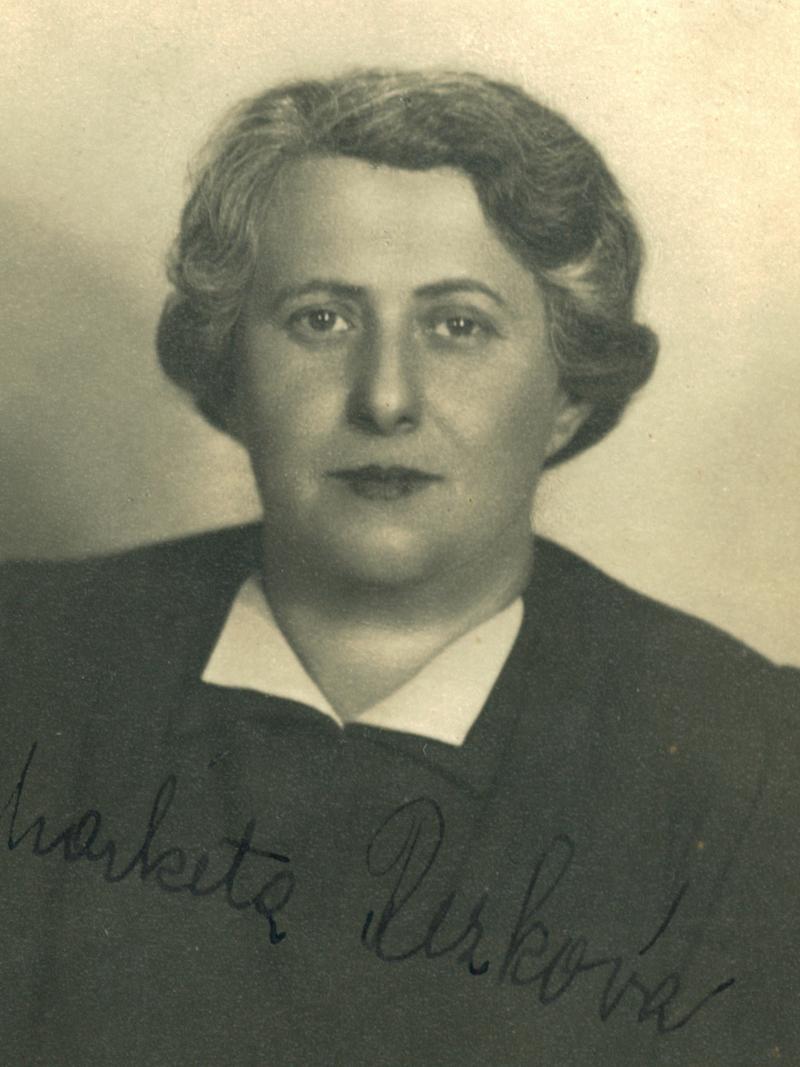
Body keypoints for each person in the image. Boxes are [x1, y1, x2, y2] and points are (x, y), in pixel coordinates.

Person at [1, 68, 797, 1066]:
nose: (385, 398)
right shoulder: (22, 665)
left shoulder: (756, 763)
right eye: (321, 319)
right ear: (230, 372)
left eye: (457, 325)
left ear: (567, 392)